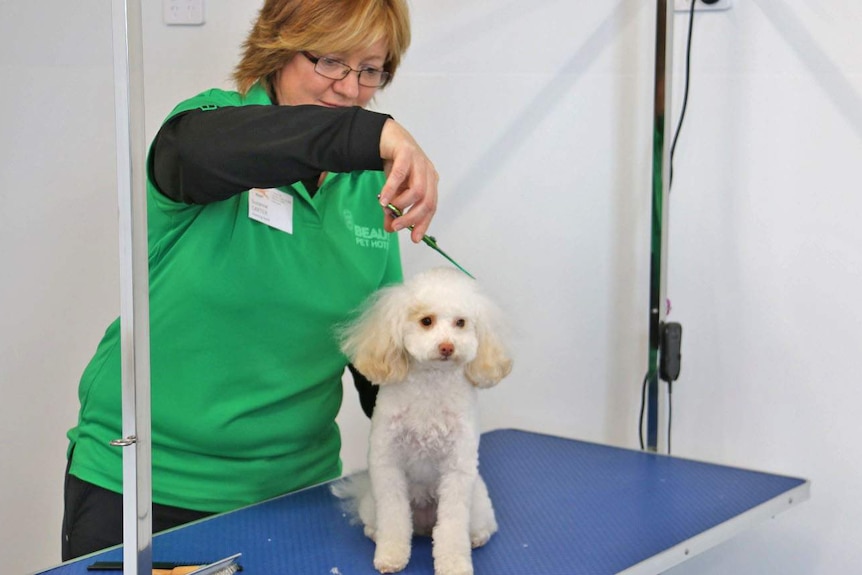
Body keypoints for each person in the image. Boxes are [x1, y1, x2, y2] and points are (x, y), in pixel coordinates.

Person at [62, 0, 438, 560]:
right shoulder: (210, 129)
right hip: (147, 486)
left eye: (369, 69)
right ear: (280, 46)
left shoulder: (369, 189)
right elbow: (193, 152)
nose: (349, 88)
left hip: (295, 492)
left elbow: (374, 356)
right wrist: (373, 133)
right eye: (331, 61)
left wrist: (432, 462)